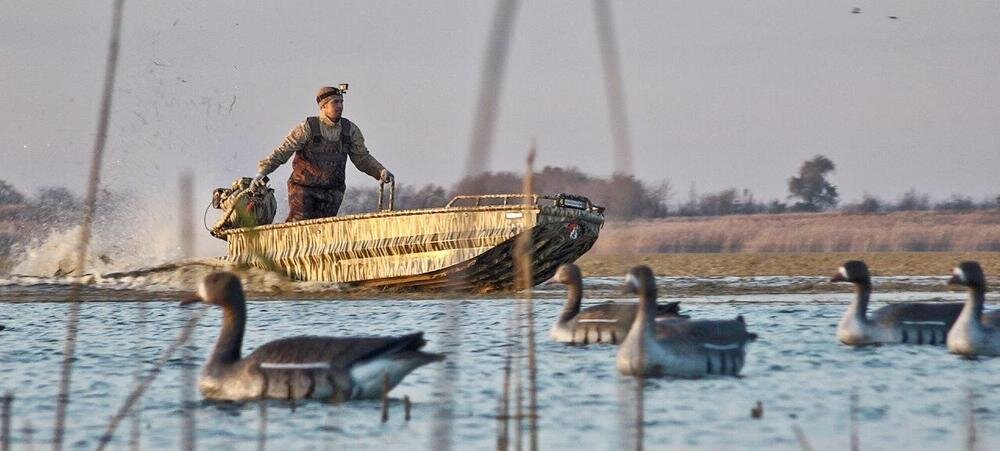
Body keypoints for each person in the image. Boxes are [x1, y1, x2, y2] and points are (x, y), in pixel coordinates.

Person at [254, 85, 393, 222]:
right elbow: (283, 151)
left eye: (341, 102)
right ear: (323, 106)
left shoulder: (350, 130)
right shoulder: (307, 127)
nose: (340, 106)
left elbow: (362, 158)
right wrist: (261, 173)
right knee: (300, 229)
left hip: (332, 192)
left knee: (324, 233)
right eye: (335, 102)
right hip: (303, 190)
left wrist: (379, 171)